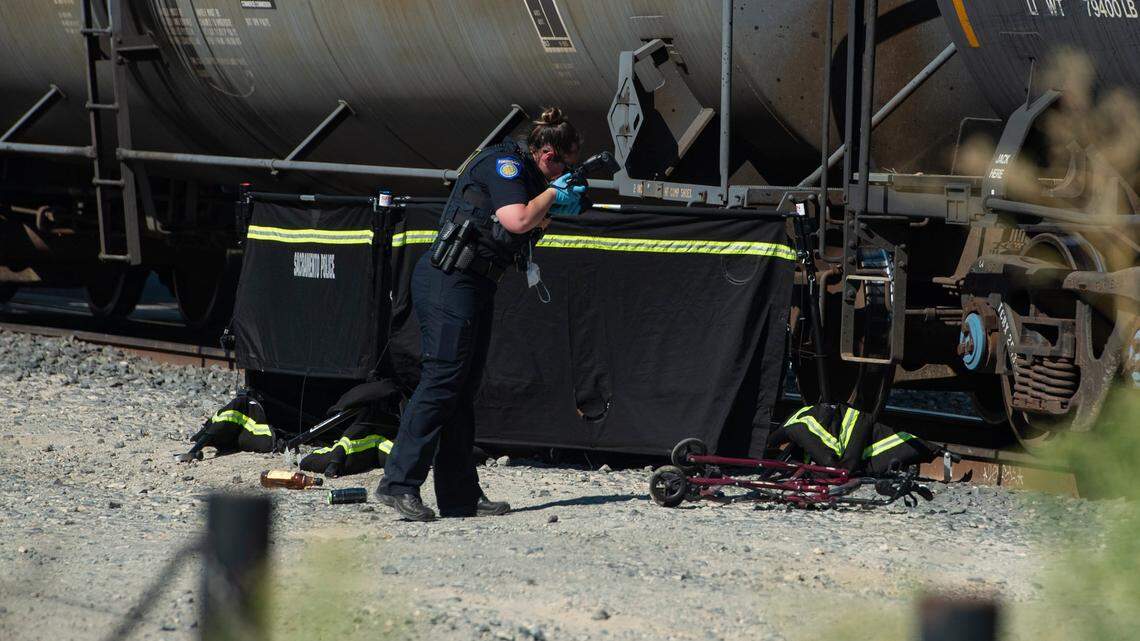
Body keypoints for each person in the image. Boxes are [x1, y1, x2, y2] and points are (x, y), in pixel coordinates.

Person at [376, 108, 586, 521]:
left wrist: (555, 207)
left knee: (461, 388)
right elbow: (517, 218)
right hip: (449, 280)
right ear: (547, 155)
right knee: (441, 380)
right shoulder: (504, 165)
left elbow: (526, 229)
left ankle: (460, 497)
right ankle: (398, 484)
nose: (565, 174)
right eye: (565, 165)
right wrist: (553, 196)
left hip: (476, 283)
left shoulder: (527, 176)